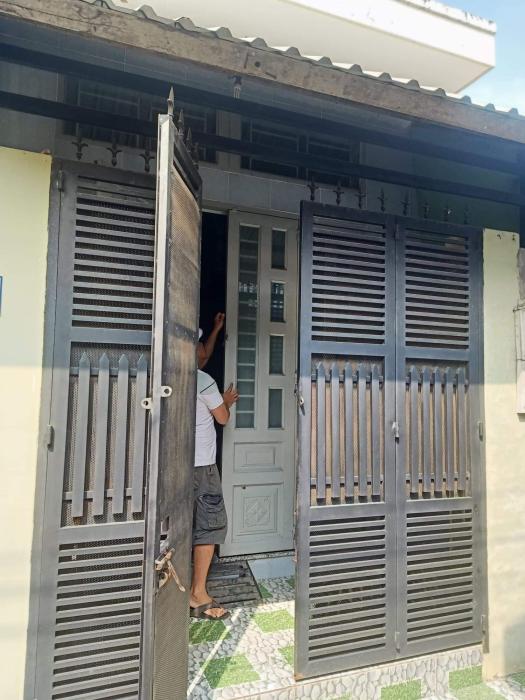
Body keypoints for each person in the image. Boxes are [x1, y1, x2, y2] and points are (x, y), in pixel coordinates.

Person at [190, 365, 238, 620]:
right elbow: (222, 418)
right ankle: (197, 594)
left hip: (170, 465)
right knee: (209, 525)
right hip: (202, 467)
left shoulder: (165, 374)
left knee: (178, 526)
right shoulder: (202, 379)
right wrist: (225, 401)